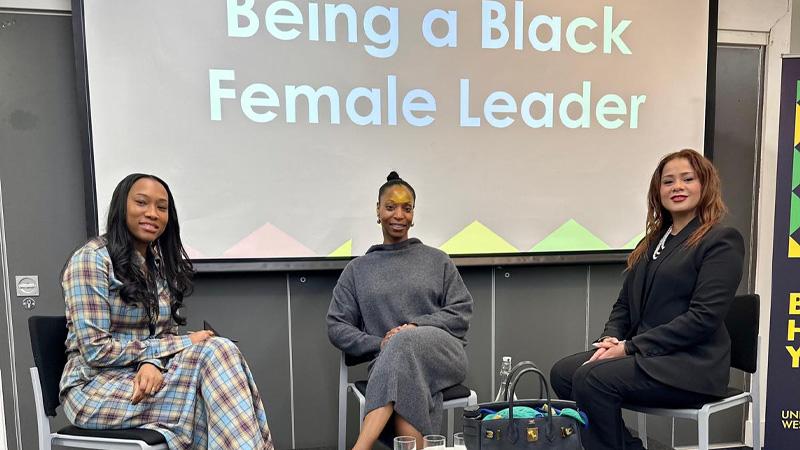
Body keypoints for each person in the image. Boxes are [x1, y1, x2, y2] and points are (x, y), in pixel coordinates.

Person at [59, 173, 274, 450]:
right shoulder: (91, 259)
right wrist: (182, 343)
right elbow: (96, 351)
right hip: (95, 389)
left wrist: (152, 363)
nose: (152, 213)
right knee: (213, 379)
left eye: (162, 207)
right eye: (141, 203)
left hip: (146, 377)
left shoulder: (157, 263)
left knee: (219, 354)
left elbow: (162, 337)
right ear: (121, 206)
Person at [549, 149, 745, 450]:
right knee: (564, 373)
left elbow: (703, 318)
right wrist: (610, 339)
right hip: (649, 357)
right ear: (658, 191)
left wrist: (629, 347)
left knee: (591, 378)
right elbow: (624, 305)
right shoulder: (651, 242)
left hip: (691, 365)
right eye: (668, 181)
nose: (677, 187)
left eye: (687, 179)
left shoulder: (720, 240)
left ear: (705, 186)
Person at [327, 171, 473, 450]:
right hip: (390, 362)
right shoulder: (357, 271)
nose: (399, 214)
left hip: (443, 355)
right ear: (378, 211)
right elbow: (336, 326)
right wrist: (379, 342)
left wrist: (415, 326)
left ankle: (361, 446)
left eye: (407, 208)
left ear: (414, 215)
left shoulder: (437, 260)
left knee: (404, 342)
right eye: (390, 206)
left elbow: (461, 310)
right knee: (404, 366)